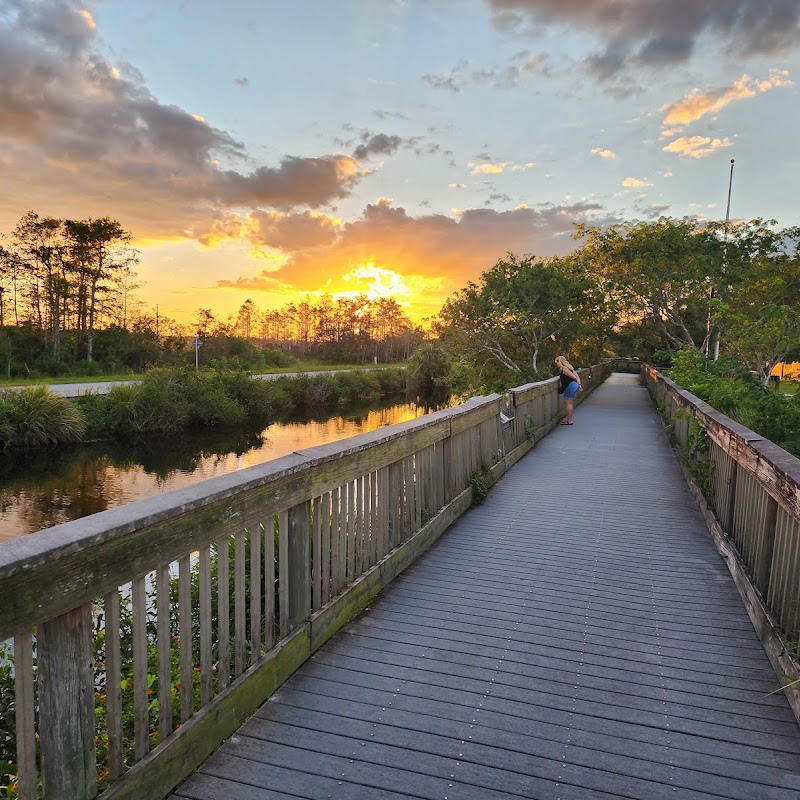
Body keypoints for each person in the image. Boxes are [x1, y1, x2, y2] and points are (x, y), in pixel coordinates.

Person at [555, 355, 582, 425]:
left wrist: (578, 384)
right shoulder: (570, 368)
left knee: (568, 403)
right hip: (573, 385)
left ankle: (569, 421)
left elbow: (574, 377)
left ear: (560, 362)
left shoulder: (565, 369)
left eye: (557, 363)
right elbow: (577, 376)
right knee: (569, 403)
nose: (557, 364)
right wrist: (579, 384)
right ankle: (569, 419)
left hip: (570, 386)